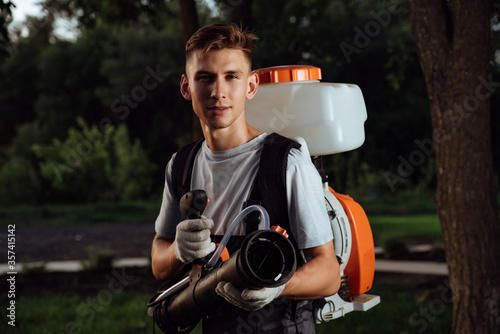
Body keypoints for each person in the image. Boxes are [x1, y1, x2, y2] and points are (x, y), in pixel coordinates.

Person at [151, 23, 340, 334]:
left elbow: (330, 274)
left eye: (231, 77)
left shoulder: (286, 161)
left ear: (251, 86)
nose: (218, 92)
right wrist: (177, 251)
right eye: (205, 78)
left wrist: (279, 286)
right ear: (186, 87)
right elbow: (159, 264)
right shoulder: (181, 165)